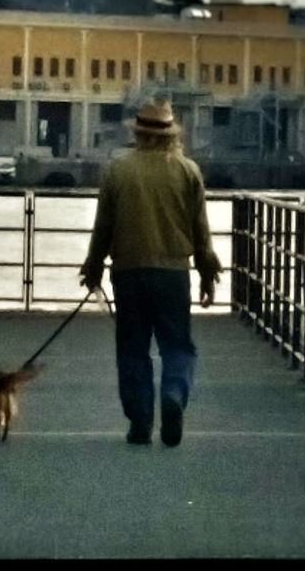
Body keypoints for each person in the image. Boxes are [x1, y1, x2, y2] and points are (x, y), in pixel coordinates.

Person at [79, 98, 222, 447]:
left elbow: (104, 227)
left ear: (137, 134)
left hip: (128, 272)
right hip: (173, 272)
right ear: (172, 133)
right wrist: (206, 272)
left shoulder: (118, 171)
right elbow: (200, 230)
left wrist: (93, 267)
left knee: (132, 349)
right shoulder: (188, 171)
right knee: (177, 346)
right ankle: (173, 392)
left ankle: (140, 422)